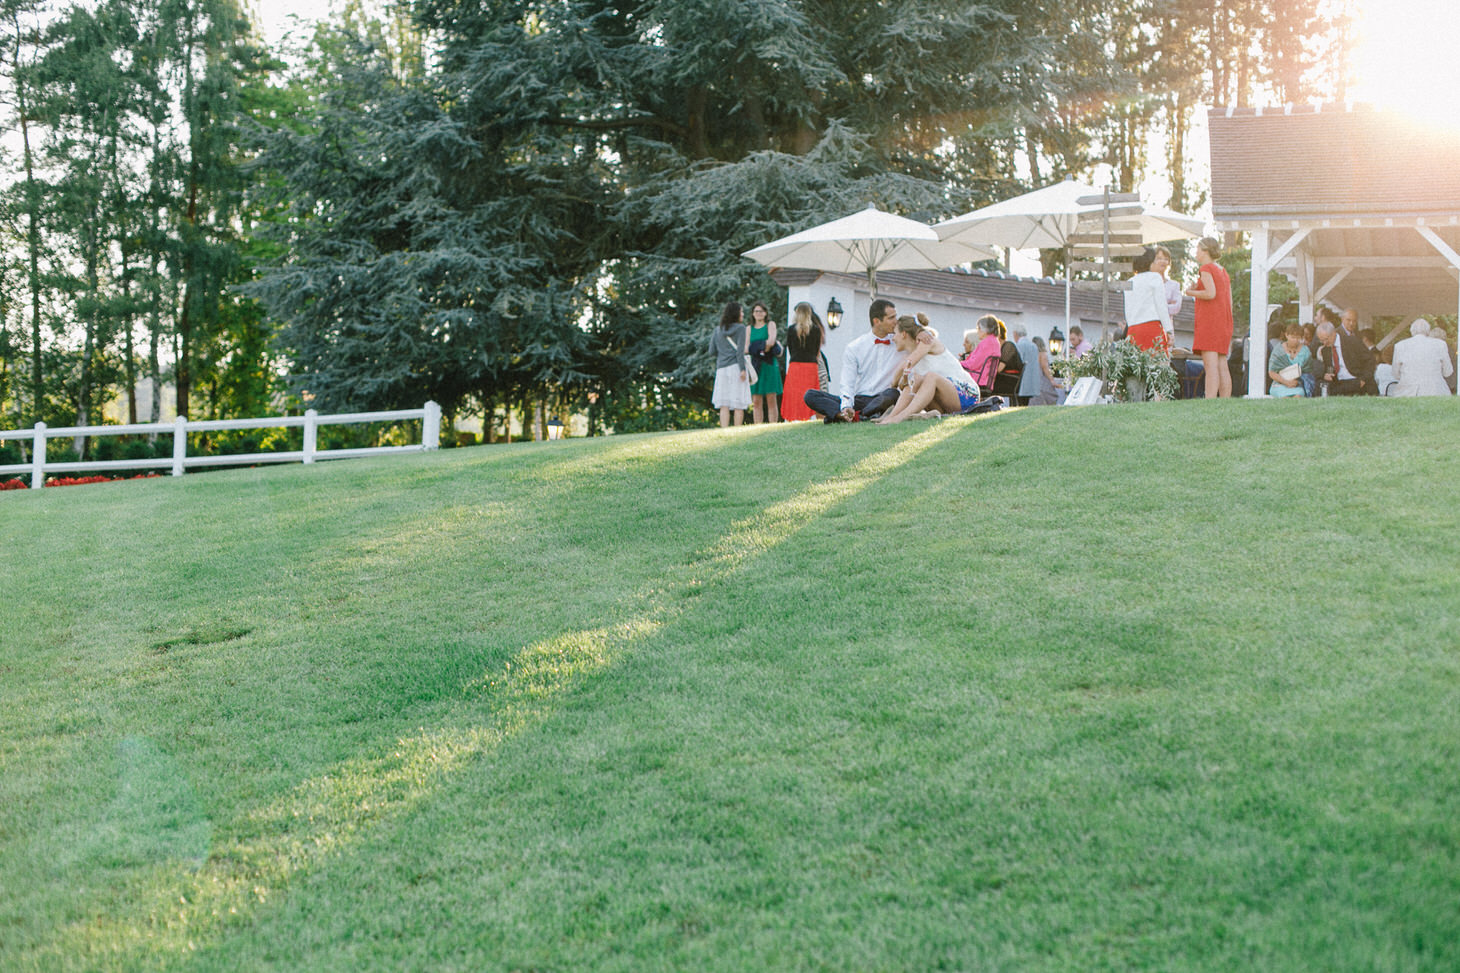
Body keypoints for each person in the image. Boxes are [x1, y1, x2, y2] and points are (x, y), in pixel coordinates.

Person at [803, 298, 910, 422]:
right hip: (859, 399)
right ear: (877, 321)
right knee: (810, 395)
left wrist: (922, 333)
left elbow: (921, 338)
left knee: (892, 393)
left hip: (884, 398)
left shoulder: (901, 342)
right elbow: (847, 381)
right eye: (891, 318)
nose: (896, 322)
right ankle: (852, 414)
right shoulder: (855, 347)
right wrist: (847, 405)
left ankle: (853, 417)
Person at [875, 314, 980, 424]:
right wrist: (897, 384)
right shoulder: (913, 354)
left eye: (895, 333)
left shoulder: (927, 341)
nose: (893, 338)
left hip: (967, 394)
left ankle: (900, 418)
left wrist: (896, 382)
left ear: (904, 334)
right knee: (916, 380)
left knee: (931, 377)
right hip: (947, 401)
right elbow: (900, 381)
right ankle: (890, 417)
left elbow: (905, 366)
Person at [1183, 237, 1234, 398]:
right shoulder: (1222, 270)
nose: (1196, 252)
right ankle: (1225, 399)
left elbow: (1210, 293)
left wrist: (1190, 292)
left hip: (1210, 322)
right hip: (1223, 321)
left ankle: (1210, 399)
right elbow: (1227, 299)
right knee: (1222, 364)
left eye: (1198, 249)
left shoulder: (1206, 268)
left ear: (1205, 251)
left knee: (1210, 364)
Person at [781, 302, 825, 421]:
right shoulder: (816, 330)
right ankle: (809, 416)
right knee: (810, 392)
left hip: (795, 364)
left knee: (795, 393)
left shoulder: (791, 330)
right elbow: (817, 349)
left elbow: (790, 348)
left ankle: (794, 417)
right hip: (811, 365)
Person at [709, 301, 750, 426]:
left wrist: (723, 355)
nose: (743, 314)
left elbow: (711, 351)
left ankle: (724, 429)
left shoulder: (717, 330)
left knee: (724, 403)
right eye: (741, 311)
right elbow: (740, 352)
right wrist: (742, 369)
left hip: (721, 369)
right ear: (736, 313)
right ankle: (737, 430)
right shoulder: (741, 328)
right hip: (736, 367)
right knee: (738, 402)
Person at [1123, 248, 1172, 352]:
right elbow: (1161, 306)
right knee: (1159, 365)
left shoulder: (1129, 282)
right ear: (1150, 262)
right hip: (1151, 327)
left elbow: (1128, 310)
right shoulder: (1155, 277)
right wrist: (1169, 330)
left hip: (1133, 329)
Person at [1390, 317, 1454, 396]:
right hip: (1435, 391)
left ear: (1412, 331)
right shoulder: (1440, 344)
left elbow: (1395, 373)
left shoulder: (1399, 346)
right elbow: (1448, 372)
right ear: (1428, 331)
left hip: (1407, 392)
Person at [746, 301, 782, 424]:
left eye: (761, 311)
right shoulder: (748, 329)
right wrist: (762, 347)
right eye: (756, 311)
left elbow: (771, 341)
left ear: (765, 313)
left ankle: (773, 425)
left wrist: (756, 347)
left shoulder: (770, 325)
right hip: (755, 365)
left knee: (771, 398)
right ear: (752, 313)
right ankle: (758, 425)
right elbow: (746, 348)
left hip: (769, 364)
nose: (758, 313)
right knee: (756, 399)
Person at [1315, 321, 1373, 396]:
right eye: (1322, 340)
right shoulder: (1325, 350)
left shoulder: (1352, 341)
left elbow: (1370, 360)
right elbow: (1328, 369)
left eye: (1326, 339)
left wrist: (1364, 379)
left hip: (1356, 380)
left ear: (1334, 333)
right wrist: (1325, 375)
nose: (1324, 343)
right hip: (1339, 384)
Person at [1266, 322, 1310, 398]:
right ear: (1286, 335)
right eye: (1293, 337)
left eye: (1298, 338)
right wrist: (1286, 382)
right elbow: (1271, 372)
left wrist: (1298, 381)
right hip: (1279, 384)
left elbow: (1308, 371)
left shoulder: (1305, 351)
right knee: (1285, 397)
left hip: (1297, 384)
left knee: (1298, 395)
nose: (1295, 340)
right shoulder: (1278, 350)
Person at [960, 315, 1002, 391]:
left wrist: (958, 363)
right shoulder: (995, 341)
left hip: (978, 381)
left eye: (979, 328)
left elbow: (973, 365)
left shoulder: (987, 343)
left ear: (985, 330)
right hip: (985, 380)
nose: (977, 331)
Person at [993, 318, 1024, 400]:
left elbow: (999, 369)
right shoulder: (999, 348)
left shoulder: (1008, 346)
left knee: (983, 384)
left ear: (998, 335)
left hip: (1009, 381)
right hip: (1003, 379)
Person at [1026, 335, 1061, 406]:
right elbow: (1045, 368)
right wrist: (1052, 380)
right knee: (1051, 400)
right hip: (1042, 381)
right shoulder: (1042, 354)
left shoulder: (1031, 355)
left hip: (1033, 382)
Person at [1153, 246, 1183, 321]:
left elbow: (1176, 308)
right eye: (1159, 258)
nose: (1163, 261)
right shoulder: (1146, 283)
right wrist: (1168, 304)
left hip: (1166, 328)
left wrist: (1154, 307)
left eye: (1166, 259)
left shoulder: (1174, 285)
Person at [1014, 326, 1040, 405]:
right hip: (1032, 379)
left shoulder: (1019, 345)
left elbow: (1018, 361)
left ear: (1016, 334)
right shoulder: (1033, 346)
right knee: (1026, 402)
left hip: (1022, 379)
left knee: (1020, 402)